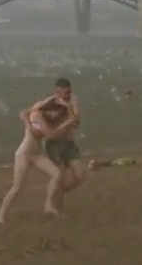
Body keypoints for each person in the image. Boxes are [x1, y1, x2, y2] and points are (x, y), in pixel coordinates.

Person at [0, 97, 77, 224]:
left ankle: (49, 205)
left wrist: (68, 107)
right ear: (49, 109)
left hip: (35, 155)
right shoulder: (37, 115)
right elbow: (49, 134)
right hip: (23, 155)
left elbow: (68, 124)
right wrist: (29, 125)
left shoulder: (48, 121)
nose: (55, 115)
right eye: (54, 112)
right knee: (17, 188)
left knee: (58, 174)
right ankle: (1, 215)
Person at [42, 77, 86, 211]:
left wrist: (68, 107)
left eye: (68, 92)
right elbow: (46, 128)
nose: (66, 95)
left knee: (80, 176)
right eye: (63, 93)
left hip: (69, 143)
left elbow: (76, 123)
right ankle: (50, 205)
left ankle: (57, 194)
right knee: (59, 175)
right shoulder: (50, 103)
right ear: (57, 91)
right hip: (54, 144)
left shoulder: (73, 100)